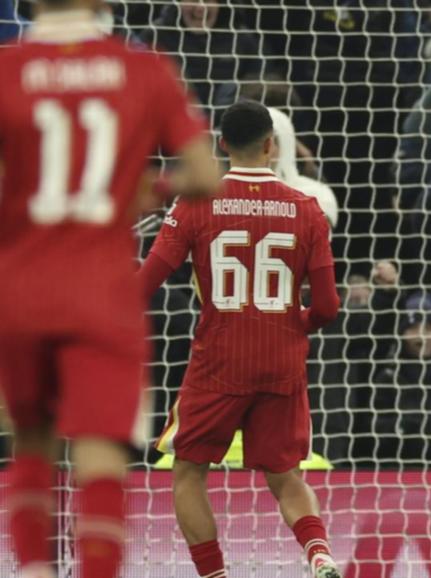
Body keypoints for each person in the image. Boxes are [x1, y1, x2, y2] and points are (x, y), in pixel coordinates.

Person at [0, 1, 220, 577]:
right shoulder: (144, 70)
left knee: (32, 439)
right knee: (100, 453)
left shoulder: (6, 68)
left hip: (22, 287)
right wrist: (147, 186)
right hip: (102, 293)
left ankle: (34, 570)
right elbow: (204, 175)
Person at [138, 100, 341, 578]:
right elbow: (328, 307)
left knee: (188, 471)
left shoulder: (195, 201)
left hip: (219, 358)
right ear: (271, 145)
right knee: (285, 474)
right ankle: (320, 555)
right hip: (281, 360)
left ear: (222, 144)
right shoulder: (307, 209)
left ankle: (216, 575)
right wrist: (296, 324)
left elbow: (145, 286)